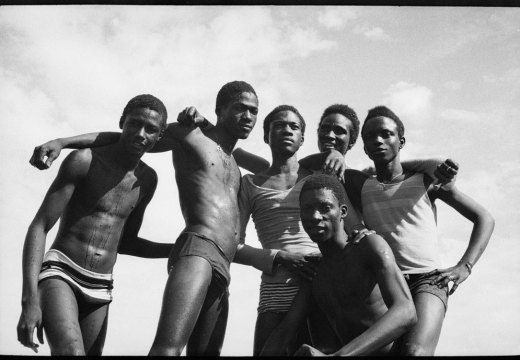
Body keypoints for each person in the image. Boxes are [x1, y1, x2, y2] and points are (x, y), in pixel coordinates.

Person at [28, 81, 260, 356]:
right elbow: (125, 138)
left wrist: (170, 249)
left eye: (253, 111)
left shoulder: (227, 162)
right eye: (239, 109)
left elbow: (266, 166)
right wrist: (63, 142)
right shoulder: (187, 135)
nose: (248, 116)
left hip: (210, 264)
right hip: (69, 269)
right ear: (221, 109)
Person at [17, 94, 174, 355]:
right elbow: (39, 226)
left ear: (159, 137)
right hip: (62, 272)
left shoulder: (148, 180)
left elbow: (127, 242)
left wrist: (180, 247)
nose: (141, 133)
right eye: (135, 124)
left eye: (151, 129)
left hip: (101, 287)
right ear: (122, 123)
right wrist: (29, 299)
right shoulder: (84, 160)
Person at [359, 105, 495, 356]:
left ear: (401, 141)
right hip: (385, 284)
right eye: (370, 137)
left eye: (386, 134)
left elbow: (484, 218)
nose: (378, 140)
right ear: (365, 148)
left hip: (428, 281)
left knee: (415, 352)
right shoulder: (362, 186)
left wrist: (465, 266)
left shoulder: (425, 181)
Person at [260, 174, 417, 356]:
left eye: (325, 207)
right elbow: (285, 331)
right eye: (307, 209)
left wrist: (339, 356)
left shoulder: (368, 246)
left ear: (343, 211)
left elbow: (406, 311)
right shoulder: (315, 270)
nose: (315, 216)